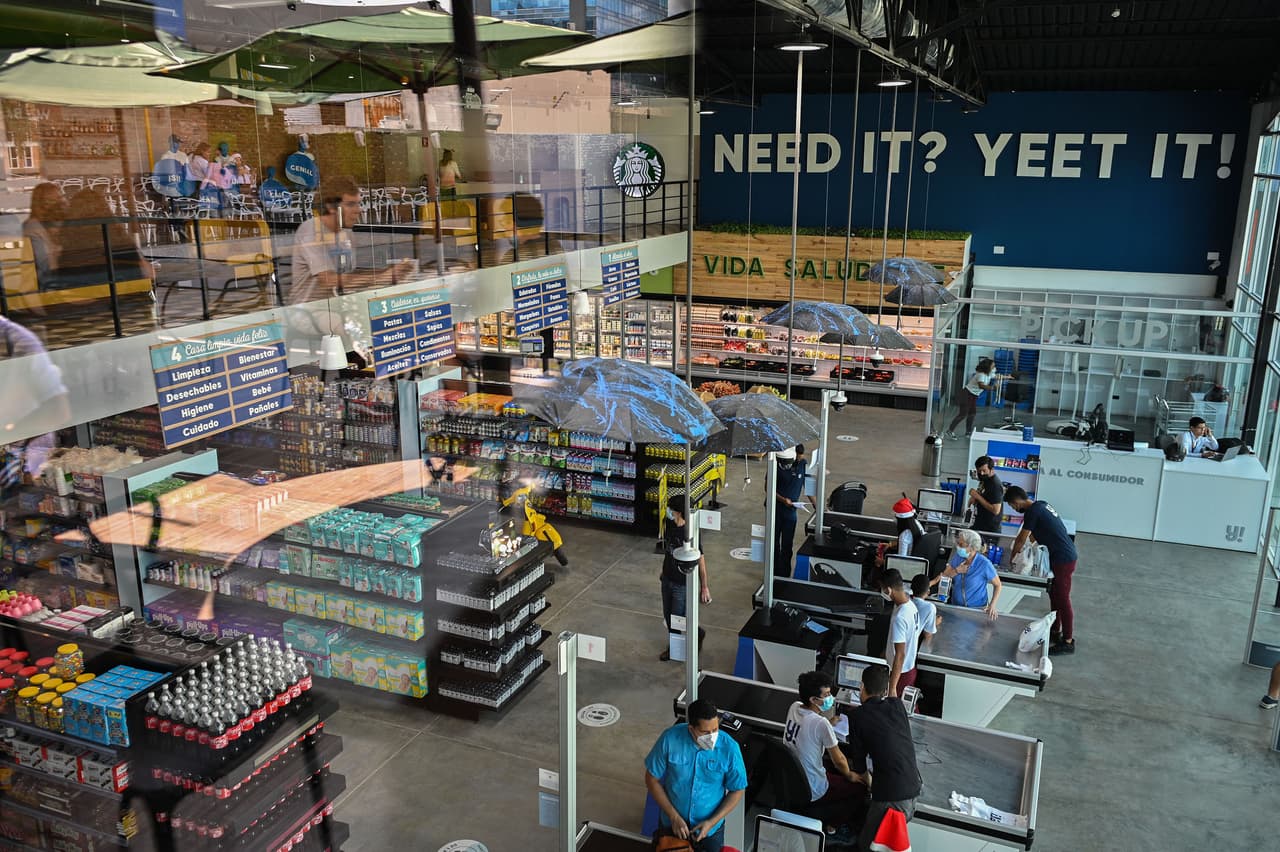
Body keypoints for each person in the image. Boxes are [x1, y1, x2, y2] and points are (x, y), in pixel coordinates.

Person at [644, 698, 747, 852]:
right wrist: (673, 817)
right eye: (705, 732)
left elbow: (738, 790)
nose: (712, 736)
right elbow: (651, 779)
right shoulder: (669, 739)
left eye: (715, 730)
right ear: (691, 728)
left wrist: (711, 822)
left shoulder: (730, 748)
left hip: (710, 833)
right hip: (672, 825)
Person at [783, 671, 867, 842]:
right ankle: (833, 828)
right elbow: (839, 761)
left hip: (793, 779)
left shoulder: (794, 707)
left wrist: (828, 724)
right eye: (826, 694)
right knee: (860, 787)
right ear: (813, 699)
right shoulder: (820, 724)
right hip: (814, 787)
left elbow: (809, 727)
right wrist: (851, 775)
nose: (831, 698)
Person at [844, 664, 921, 851]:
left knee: (868, 845)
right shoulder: (897, 705)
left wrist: (867, 780)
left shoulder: (857, 717)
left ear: (862, 687)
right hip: (913, 790)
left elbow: (859, 766)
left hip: (891, 799)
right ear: (885, 690)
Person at [1005, 486, 1078, 655]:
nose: (1014, 509)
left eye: (1012, 506)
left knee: (1063, 599)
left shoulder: (1032, 511)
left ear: (1016, 502)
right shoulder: (1041, 505)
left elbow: (1022, 538)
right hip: (1059, 557)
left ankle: (1068, 641)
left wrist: (1013, 559)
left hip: (1063, 559)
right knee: (1054, 595)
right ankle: (1055, 630)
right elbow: (1033, 535)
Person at [658, 503, 709, 662]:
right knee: (668, 616)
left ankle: (674, 648)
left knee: (677, 619)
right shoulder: (669, 525)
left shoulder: (691, 532)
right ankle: (694, 633)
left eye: (671, 508)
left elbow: (700, 559)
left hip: (681, 584)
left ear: (678, 512)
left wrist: (704, 586)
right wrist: (663, 571)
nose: (669, 511)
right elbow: (668, 551)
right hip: (666, 578)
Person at [937, 528, 1001, 619]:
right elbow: (944, 576)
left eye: (961, 544)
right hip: (956, 607)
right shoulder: (958, 557)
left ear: (972, 548)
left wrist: (992, 605)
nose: (958, 546)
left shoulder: (984, 564)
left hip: (976, 609)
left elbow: (998, 585)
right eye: (958, 543)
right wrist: (956, 571)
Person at [878, 569, 921, 698]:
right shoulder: (909, 605)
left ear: (889, 590)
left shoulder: (900, 617)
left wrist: (892, 688)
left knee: (898, 709)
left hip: (900, 673)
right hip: (910, 667)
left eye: (883, 589)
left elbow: (900, 654)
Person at [23, 183, 67, 288]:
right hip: (47, 286)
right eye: (58, 198)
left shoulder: (53, 224)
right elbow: (44, 264)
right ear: (45, 203)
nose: (63, 202)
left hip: (59, 282)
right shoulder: (33, 229)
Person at [774, 444, 807, 576]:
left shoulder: (802, 464)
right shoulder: (776, 464)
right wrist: (783, 500)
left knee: (787, 544)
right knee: (774, 543)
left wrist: (818, 508)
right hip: (776, 510)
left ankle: (785, 573)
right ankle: (774, 571)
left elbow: (808, 486)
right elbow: (768, 488)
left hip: (791, 512)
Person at [945, 356, 996, 439]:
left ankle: (968, 432)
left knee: (972, 414)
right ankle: (950, 431)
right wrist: (993, 388)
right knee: (963, 414)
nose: (994, 368)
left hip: (973, 396)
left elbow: (995, 376)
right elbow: (981, 386)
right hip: (967, 394)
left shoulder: (988, 374)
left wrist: (1008, 377)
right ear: (988, 367)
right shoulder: (981, 375)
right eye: (993, 366)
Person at [968, 455, 1005, 537]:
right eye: (979, 471)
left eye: (984, 471)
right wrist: (975, 498)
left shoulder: (995, 485)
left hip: (989, 530)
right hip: (980, 524)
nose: (981, 473)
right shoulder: (985, 480)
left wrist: (977, 496)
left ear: (991, 470)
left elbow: (996, 510)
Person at [909, 574, 941, 641]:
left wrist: (934, 581)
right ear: (928, 592)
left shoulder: (906, 600)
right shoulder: (929, 607)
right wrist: (935, 623)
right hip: (911, 645)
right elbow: (928, 634)